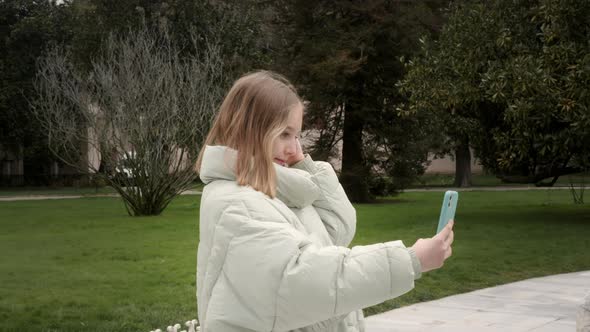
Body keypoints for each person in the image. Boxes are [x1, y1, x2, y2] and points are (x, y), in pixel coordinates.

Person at [195, 70, 454, 332]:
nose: (293, 147)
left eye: (296, 135)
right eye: (284, 134)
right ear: (250, 129)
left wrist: (303, 168)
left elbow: (336, 230)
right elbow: (305, 279)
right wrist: (411, 260)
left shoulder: (272, 189)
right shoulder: (238, 203)